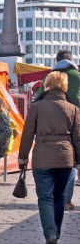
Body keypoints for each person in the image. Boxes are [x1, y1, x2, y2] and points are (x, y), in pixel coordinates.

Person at [19, 71, 80, 244]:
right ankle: (57, 232)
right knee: (59, 197)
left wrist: (22, 157)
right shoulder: (73, 109)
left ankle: (50, 233)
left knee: (45, 197)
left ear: (48, 85)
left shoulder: (37, 107)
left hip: (43, 157)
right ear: (64, 87)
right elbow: (78, 139)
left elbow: (28, 134)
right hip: (65, 157)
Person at [36, 49, 80, 210]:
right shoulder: (77, 76)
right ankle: (65, 200)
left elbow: (38, 99)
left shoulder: (50, 77)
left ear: (57, 60)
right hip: (74, 123)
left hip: (50, 125)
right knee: (72, 162)